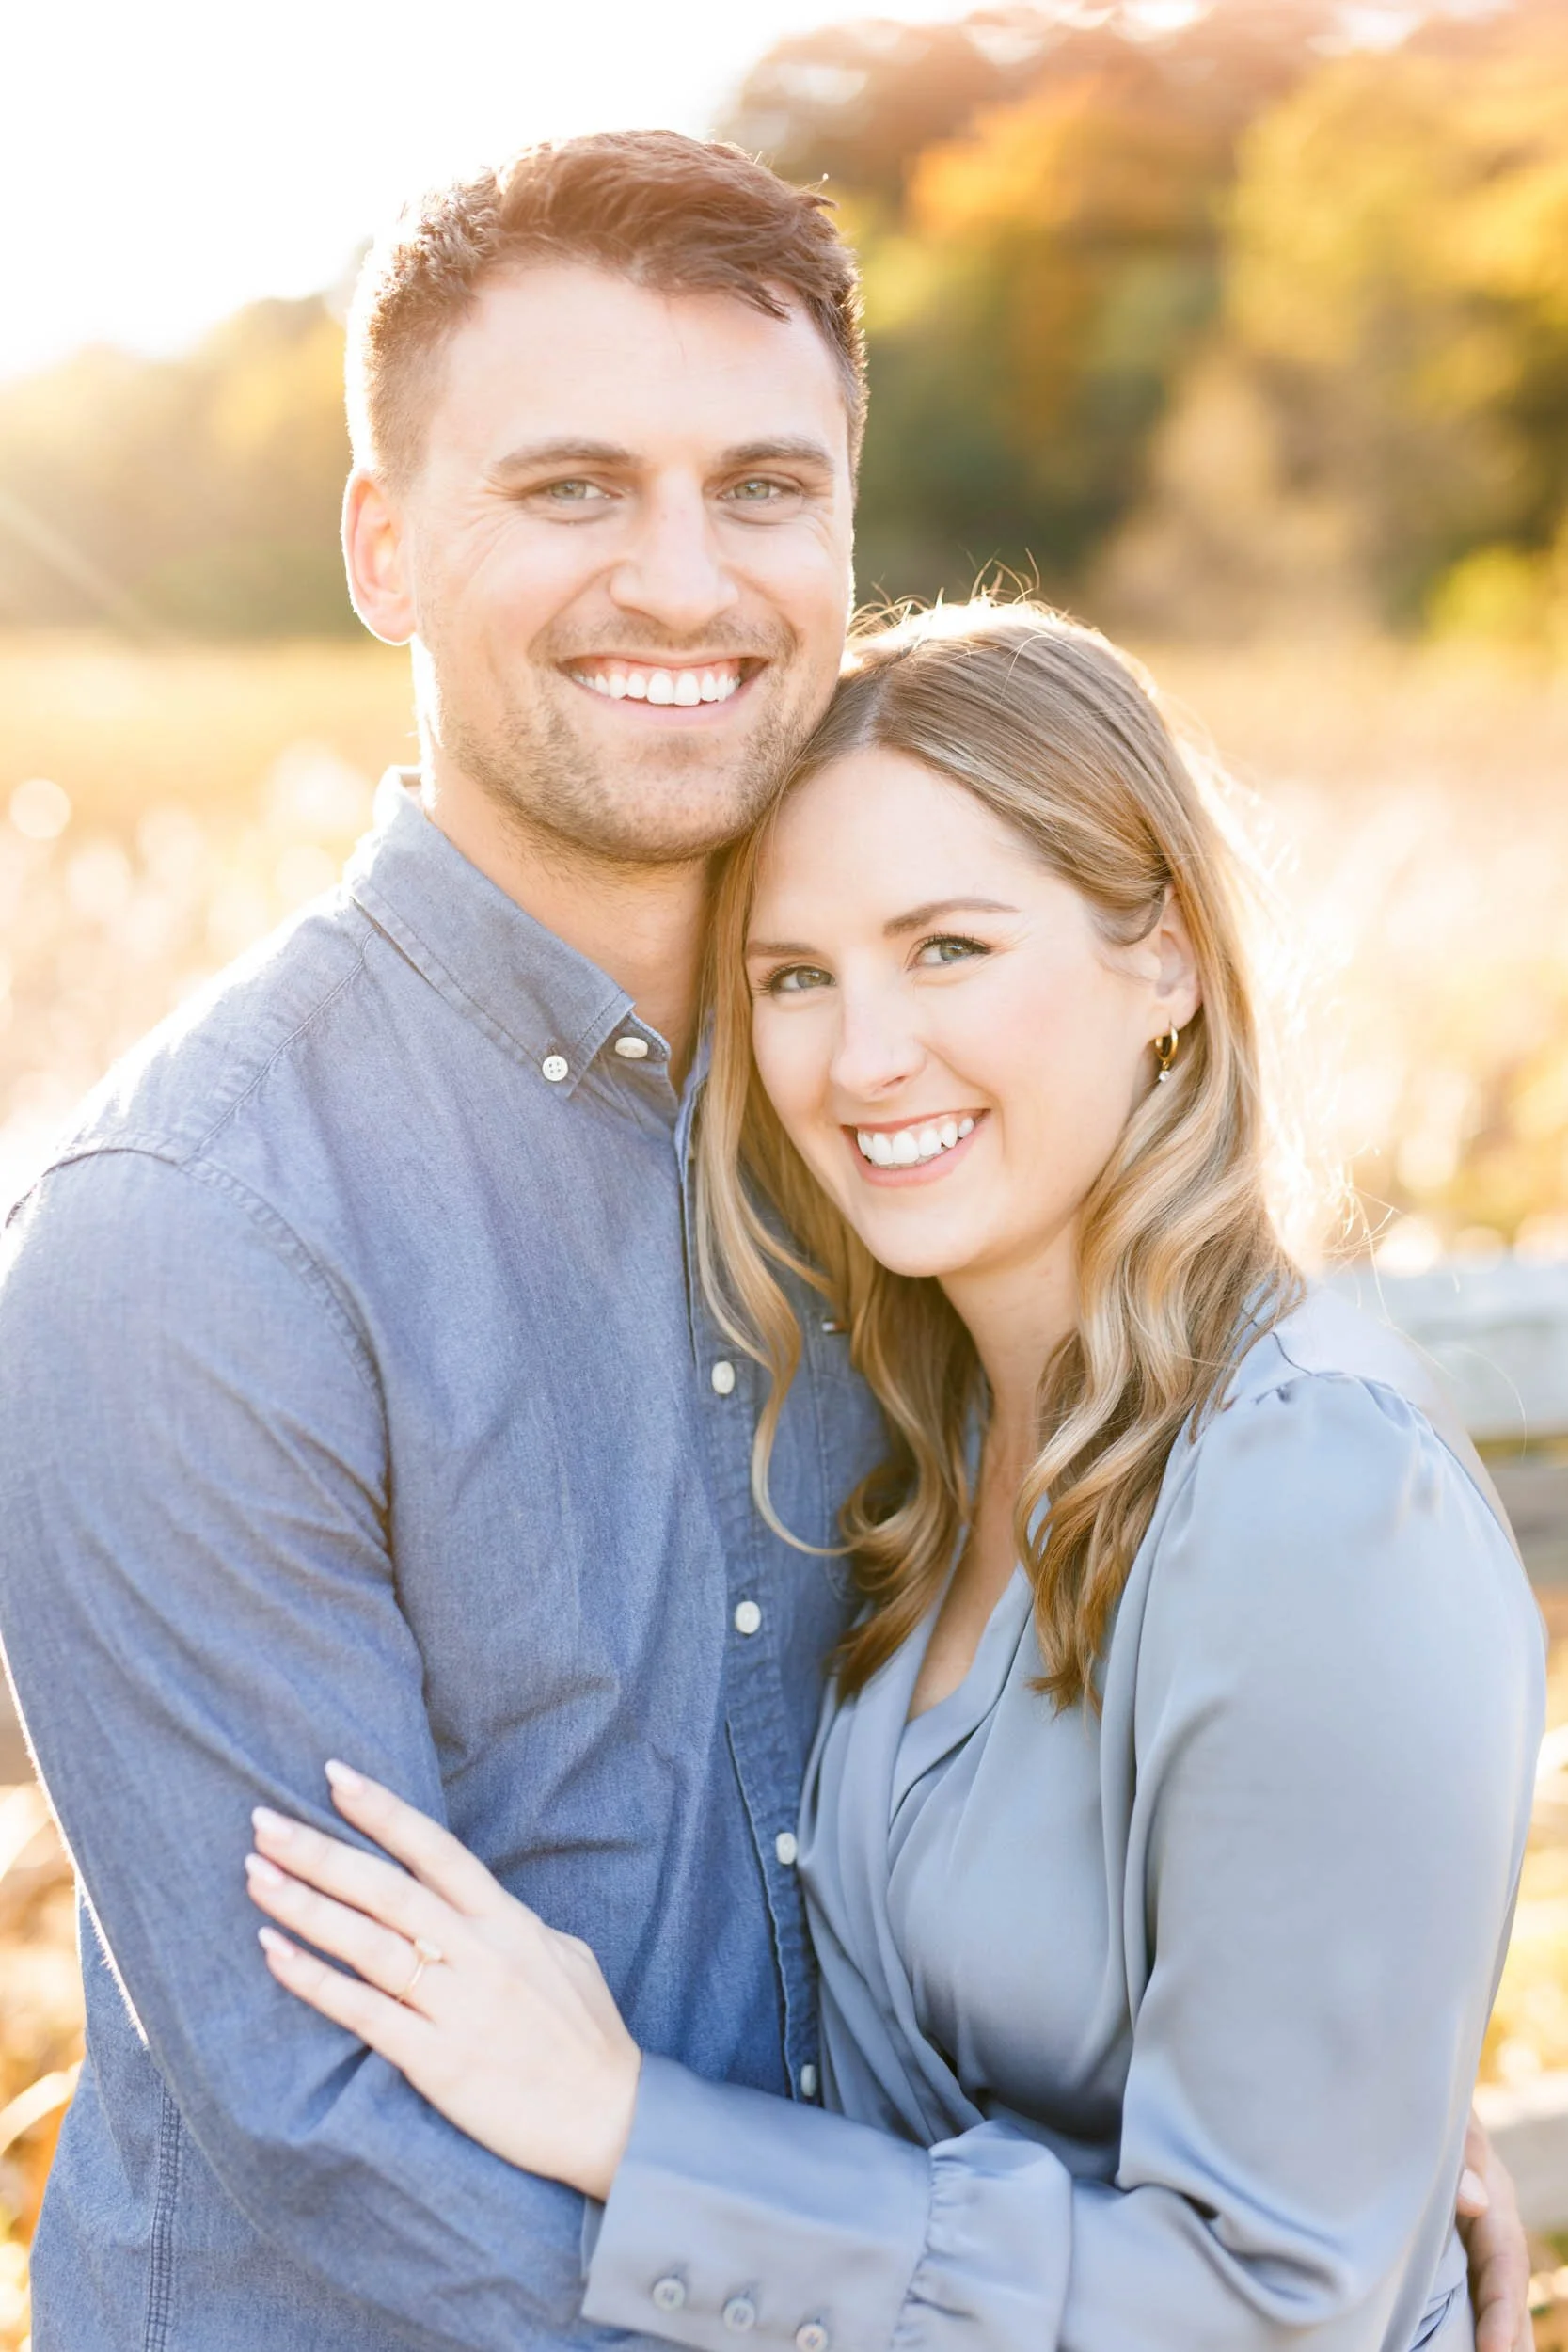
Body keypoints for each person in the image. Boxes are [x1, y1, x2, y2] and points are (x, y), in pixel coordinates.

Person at [0, 132, 1531, 2352]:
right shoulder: (196, 1248)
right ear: (381, 545)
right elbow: (339, 2151)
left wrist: (1310, 2146)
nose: (683, 579)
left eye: (760, 484)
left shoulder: (881, 1130)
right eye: (569, 488)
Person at [244, 603, 1544, 2352]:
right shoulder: (915, 1435)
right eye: (795, 976)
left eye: (946, 949)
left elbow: (1269, 2314)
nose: (862, 1061)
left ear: (1159, 952)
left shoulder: (1308, 1486)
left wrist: (630, 2128)